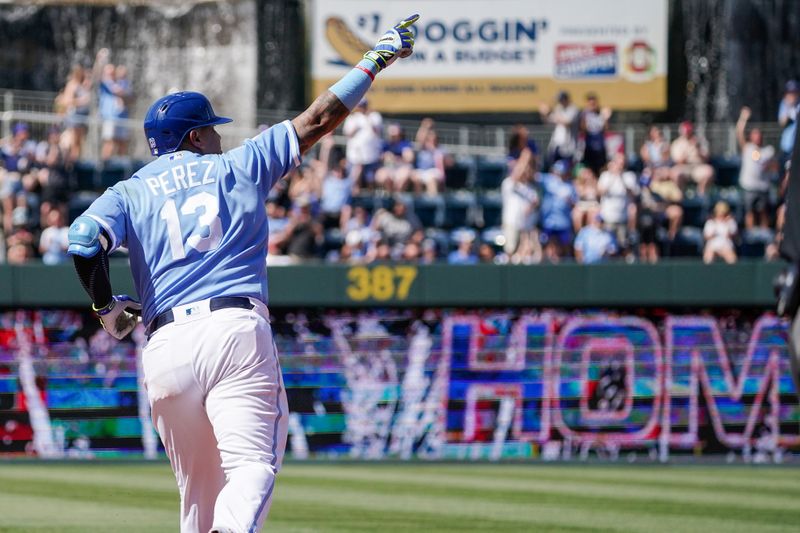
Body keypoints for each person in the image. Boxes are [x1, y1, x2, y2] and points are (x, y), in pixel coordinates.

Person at [65, 13, 419, 533]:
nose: (216, 136)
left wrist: (106, 308)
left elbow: (80, 241)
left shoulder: (131, 190)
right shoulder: (239, 165)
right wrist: (374, 60)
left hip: (165, 347)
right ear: (193, 136)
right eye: (210, 128)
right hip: (232, 330)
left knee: (198, 502)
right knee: (252, 466)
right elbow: (318, 118)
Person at [736, 106, 776, 229]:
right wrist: (743, 118)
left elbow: (773, 166)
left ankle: (764, 236)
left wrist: (768, 166)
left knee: (763, 212)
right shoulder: (747, 148)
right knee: (750, 212)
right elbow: (739, 133)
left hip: (763, 187)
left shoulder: (769, 151)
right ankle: (750, 238)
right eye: (754, 134)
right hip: (749, 187)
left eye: (758, 134)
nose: (757, 136)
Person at [342, 97, 383, 192]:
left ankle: (370, 197)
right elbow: (348, 134)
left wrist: (368, 118)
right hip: (355, 156)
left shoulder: (374, 116)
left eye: (363, 105)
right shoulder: (352, 118)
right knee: (355, 177)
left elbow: (377, 131)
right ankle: (354, 196)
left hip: (371, 156)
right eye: (360, 106)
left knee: (371, 180)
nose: (362, 108)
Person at [669, 120, 714, 197]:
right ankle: (681, 196)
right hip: (684, 168)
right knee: (675, 173)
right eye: (686, 132)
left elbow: (707, 158)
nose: (687, 134)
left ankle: (701, 194)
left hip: (698, 167)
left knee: (709, 171)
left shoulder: (699, 141)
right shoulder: (677, 143)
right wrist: (687, 153)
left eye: (689, 131)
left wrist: (698, 149)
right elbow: (678, 161)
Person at [539, 90, 579, 168]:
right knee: (553, 168)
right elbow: (548, 122)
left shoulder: (573, 109)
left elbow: (567, 122)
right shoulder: (558, 108)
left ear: (566, 99)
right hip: (556, 145)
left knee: (567, 169)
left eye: (561, 99)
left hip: (568, 147)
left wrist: (550, 112)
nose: (560, 102)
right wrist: (544, 114)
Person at [579, 92, 612, 177]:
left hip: (600, 146)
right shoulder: (584, 114)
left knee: (602, 168)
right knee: (589, 168)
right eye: (590, 103)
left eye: (594, 103)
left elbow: (606, 128)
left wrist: (606, 118)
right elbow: (583, 129)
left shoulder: (601, 113)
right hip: (589, 146)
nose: (592, 105)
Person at [779, 80, 799, 169]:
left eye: (794, 93)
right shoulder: (784, 104)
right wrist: (789, 107)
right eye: (789, 93)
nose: (791, 95)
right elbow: (782, 123)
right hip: (787, 147)